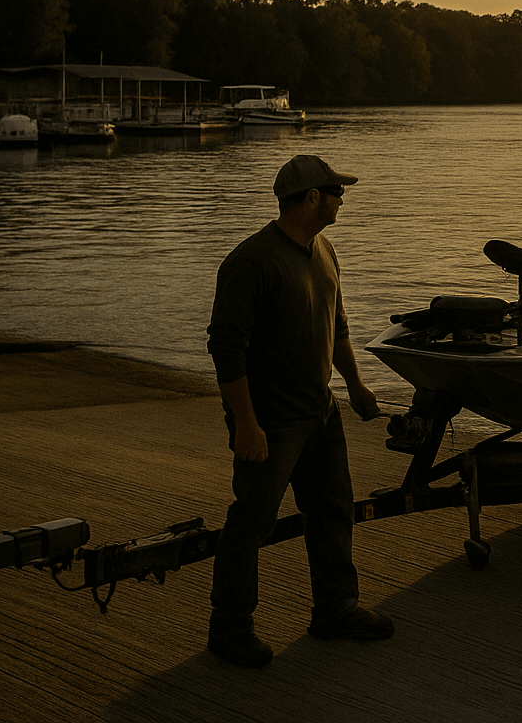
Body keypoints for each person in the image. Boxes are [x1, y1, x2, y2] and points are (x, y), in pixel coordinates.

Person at [204, 154, 393, 669]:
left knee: (333, 511)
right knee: (252, 522)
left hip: (320, 412)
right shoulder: (252, 263)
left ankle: (335, 607)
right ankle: (229, 628)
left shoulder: (325, 249)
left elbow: (339, 326)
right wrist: (246, 425)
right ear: (311, 198)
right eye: (336, 191)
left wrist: (355, 385)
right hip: (271, 422)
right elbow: (226, 348)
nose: (341, 198)